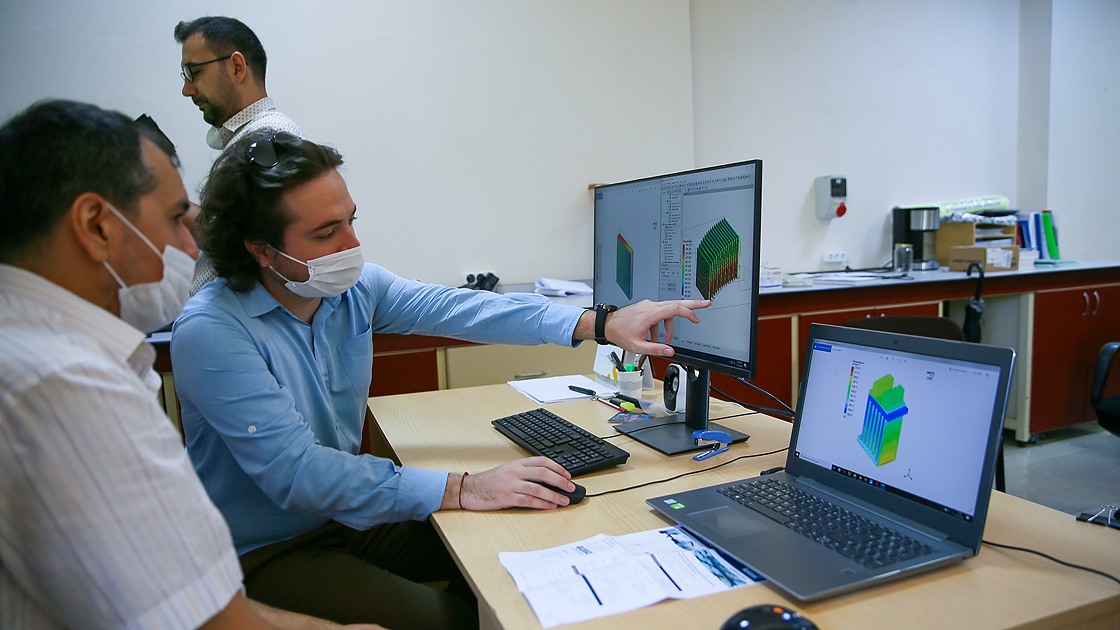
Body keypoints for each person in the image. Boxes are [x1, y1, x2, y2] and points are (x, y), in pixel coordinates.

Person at [170, 130, 711, 630]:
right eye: (326, 233)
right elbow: (300, 475)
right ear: (262, 249)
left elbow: (463, 309)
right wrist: (465, 487)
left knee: (513, 559)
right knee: (453, 619)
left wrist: (600, 323)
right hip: (268, 550)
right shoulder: (212, 331)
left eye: (351, 221)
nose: (351, 245)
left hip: (349, 518)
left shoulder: (351, 291)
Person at [0, 100, 381, 630]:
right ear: (96, 226)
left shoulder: (51, 354)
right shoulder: (63, 385)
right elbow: (198, 619)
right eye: (175, 218)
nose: (188, 244)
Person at [174, 16, 302, 151]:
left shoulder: (269, 138)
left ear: (237, 68)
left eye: (195, 72)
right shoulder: (255, 138)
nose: (186, 90)